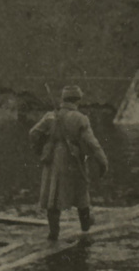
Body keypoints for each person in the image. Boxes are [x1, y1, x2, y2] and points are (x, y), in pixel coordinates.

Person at [31, 85, 110, 239]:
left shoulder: (50, 116)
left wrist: (42, 148)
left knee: (53, 195)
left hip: (52, 158)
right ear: (77, 100)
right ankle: (85, 227)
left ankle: (53, 233)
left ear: (63, 99)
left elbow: (33, 133)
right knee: (81, 192)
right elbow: (92, 144)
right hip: (73, 159)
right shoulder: (80, 118)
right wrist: (103, 162)